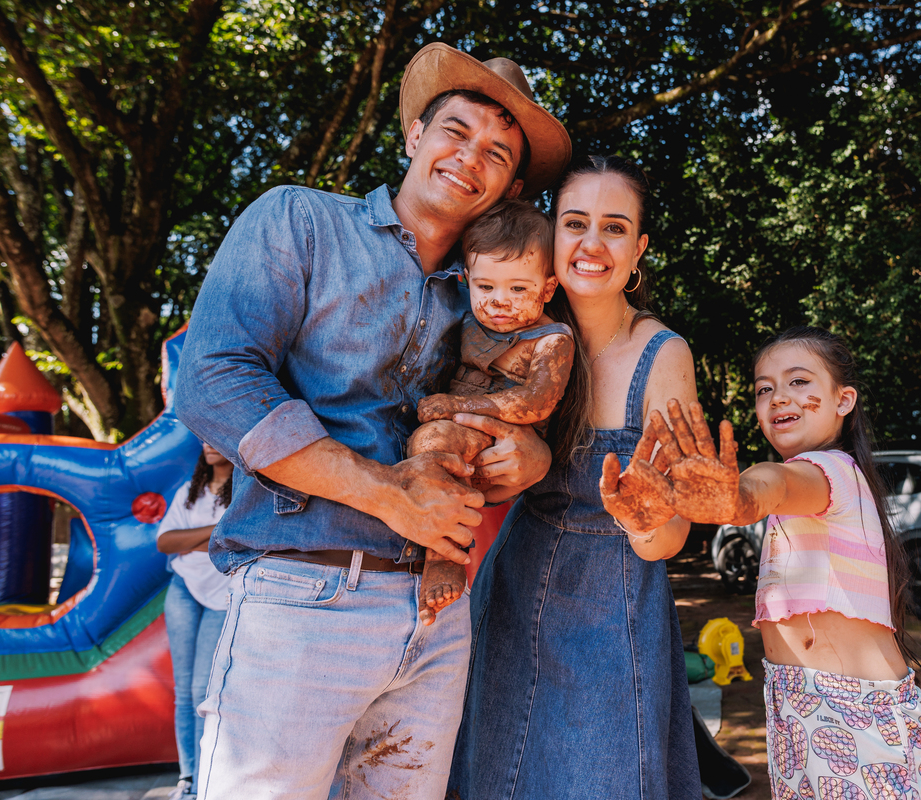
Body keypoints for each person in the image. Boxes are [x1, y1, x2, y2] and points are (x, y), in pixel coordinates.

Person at [174, 43, 571, 800]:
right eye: (456, 131)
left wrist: (532, 456)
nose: (470, 156)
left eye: (496, 151)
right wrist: (389, 494)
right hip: (299, 591)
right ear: (415, 135)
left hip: (438, 614)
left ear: (510, 188)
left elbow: (530, 415)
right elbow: (214, 381)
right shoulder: (300, 220)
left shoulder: (499, 301)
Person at [448, 156, 703, 799]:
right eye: (575, 223)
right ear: (550, 237)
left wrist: (647, 517)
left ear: (639, 249)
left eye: (614, 228)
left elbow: (669, 537)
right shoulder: (502, 328)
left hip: (613, 611)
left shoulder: (662, 354)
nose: (591, 244)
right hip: (512, 592)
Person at [632, 327, 921, 799]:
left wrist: (736, 496)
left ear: (844, 401)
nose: (779, 397)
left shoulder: (833, 472)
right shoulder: (802, 488)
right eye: (765, 388)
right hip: (798, 720)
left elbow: (771, 483)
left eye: (799, 382)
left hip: (861, 721)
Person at [409, 199, 573, 624]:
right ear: (467, 281)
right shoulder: (464, 324)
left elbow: (536, 400)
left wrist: (460, 405)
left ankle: (444, 554)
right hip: (456, 440)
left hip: (499, 445)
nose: (500, 300)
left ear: (548, 288)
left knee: (432, 439)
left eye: (518, 288)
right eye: (486, 288)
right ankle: (433, 535)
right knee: (428, 443)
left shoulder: (551, 340)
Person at [156, 444, 233, 800]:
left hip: (224, 596)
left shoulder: (247, 493)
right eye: (203, 438)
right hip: (183, 590)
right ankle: (187, 779)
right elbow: (166, 542)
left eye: (215, 437)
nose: (208, 443)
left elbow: (239, 545)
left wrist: (194, 539)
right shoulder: (190, 493)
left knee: (205, 689)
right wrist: (215, 530)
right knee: (183, 690)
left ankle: (205, 783)